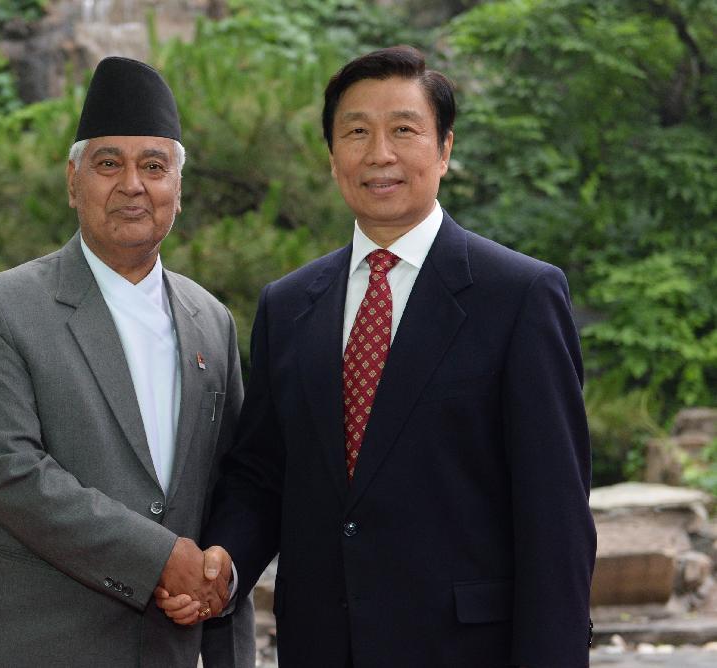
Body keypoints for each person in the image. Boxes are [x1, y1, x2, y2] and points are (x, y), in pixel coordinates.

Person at [158, 46, 596, 666]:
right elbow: (262, 474)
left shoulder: (519, 296)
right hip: (322, 647)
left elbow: (555, 517)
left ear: (443, 150)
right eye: (356, 132)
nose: (379, 154)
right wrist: (224, 562)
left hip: (466, 649)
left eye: (404, 131)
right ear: (333, 156)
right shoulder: (288, 306)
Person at [0, 56, 255, 668]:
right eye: (110, 164)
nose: (133, 185)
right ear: (73, 180)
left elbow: (236, 479)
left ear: (177, 190)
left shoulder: (210, 318)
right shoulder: (0, 309)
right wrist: (160, 558)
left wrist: (223, 571)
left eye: (154, 166)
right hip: (30, 645)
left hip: (170, 646)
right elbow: (11, 472)